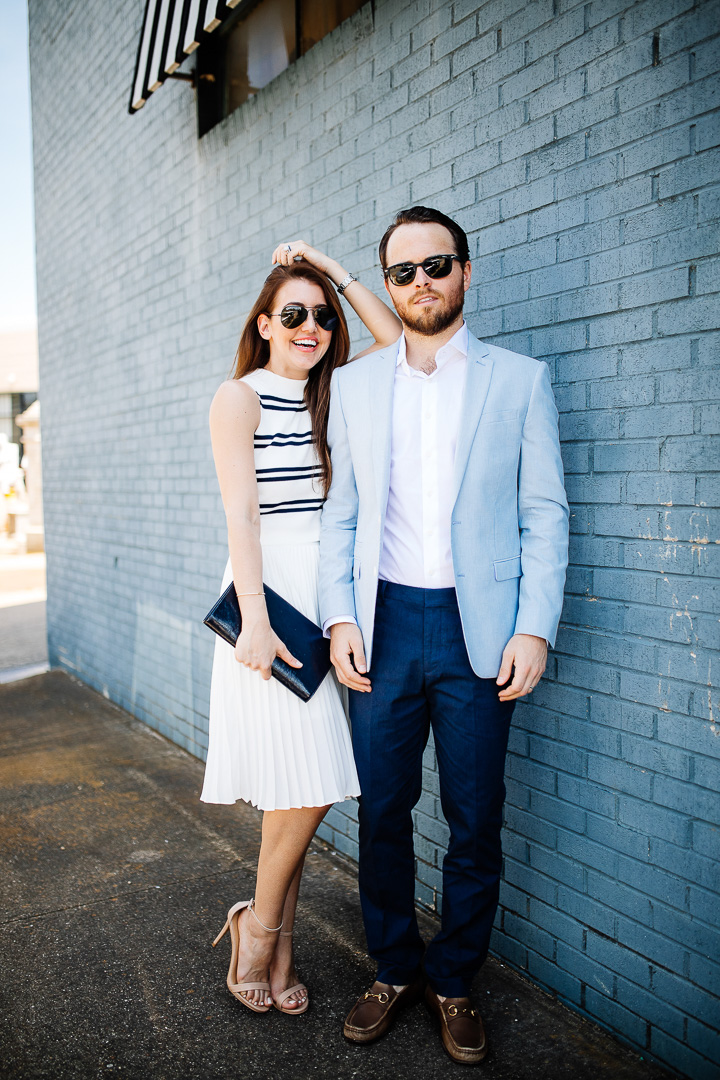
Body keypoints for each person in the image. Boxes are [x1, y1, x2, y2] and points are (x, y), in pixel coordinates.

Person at [319, 206, 569, 1063]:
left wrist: (534, 628)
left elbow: (544, 513)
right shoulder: (356, 384)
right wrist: (340, 616)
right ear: (386, 284)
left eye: (436, 265)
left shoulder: (520, 381)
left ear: (466, 271)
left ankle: (456, 979)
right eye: (402, 273)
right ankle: (392, 968)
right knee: (384, 813)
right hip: (383, 626)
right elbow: (339, 515)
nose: (419, 283)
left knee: (475, 819)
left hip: (481, 632)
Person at [202, 246, 401, 1015]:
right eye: (293, 313)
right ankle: (261, 928)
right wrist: (253, 620)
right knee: (313, 780)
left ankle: (266, 930)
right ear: (264, 323)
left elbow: (395, 344)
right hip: (269, 602)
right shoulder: (239, 397)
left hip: (326, 596)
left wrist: (327, 267)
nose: (310, 326)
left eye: (320, 315)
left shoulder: (333, 395)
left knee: (299, 785)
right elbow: (241, 516)